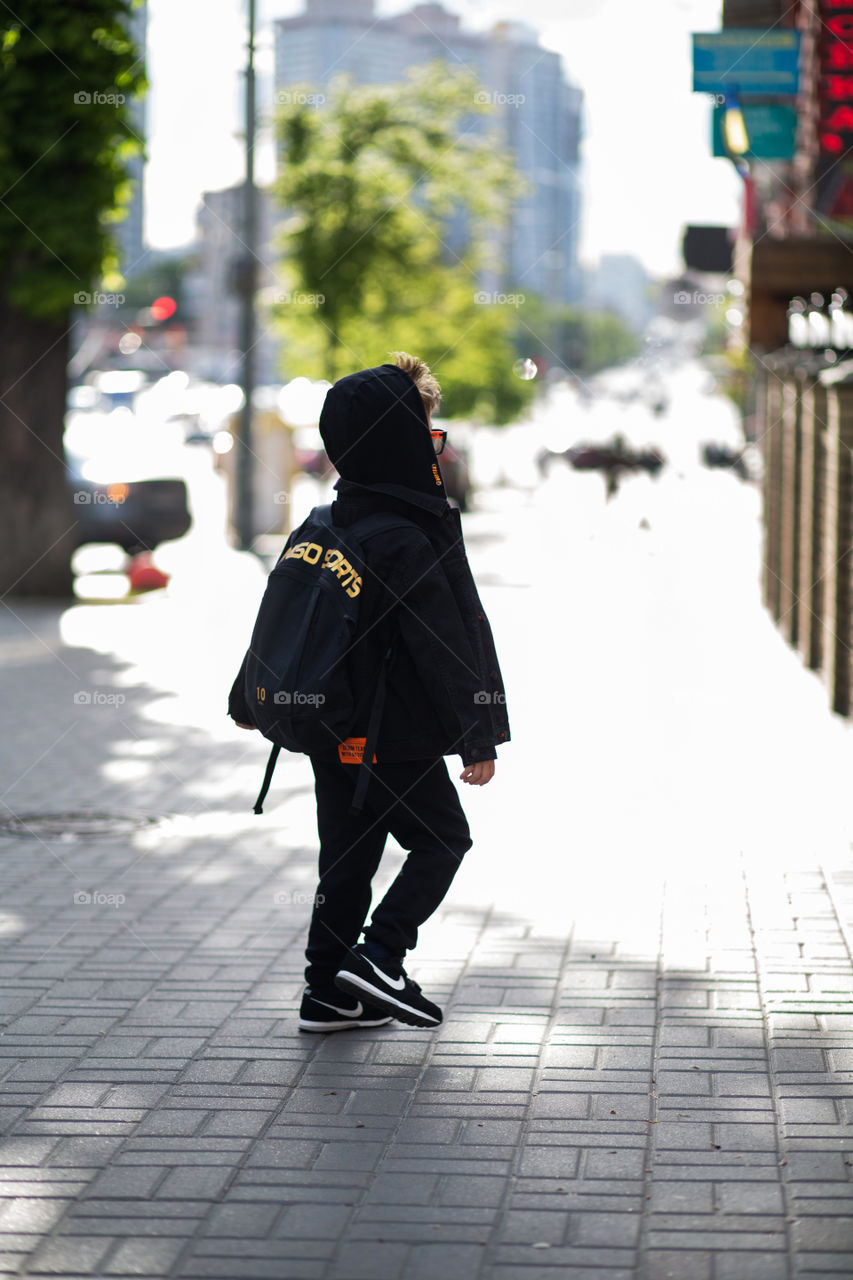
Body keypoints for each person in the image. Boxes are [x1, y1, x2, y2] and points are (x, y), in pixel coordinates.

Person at [229, 353, 509, 1032]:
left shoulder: (323, 522)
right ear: (404, 444)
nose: (433, 450)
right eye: (426, 435)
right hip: (392, 736)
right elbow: (445, 644)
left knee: (346, 861)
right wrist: (477, 734)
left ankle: (324, 991)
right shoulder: (408, 535)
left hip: (332, 729)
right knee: (443, 840)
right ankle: (380, 954)